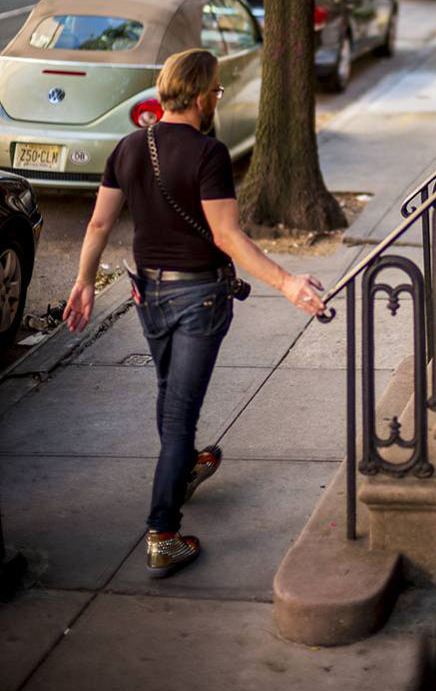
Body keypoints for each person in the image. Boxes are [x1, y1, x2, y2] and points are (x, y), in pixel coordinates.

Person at [64, 48, 325, 578]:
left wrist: (84, 283)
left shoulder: (129, 147)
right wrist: (287, 282)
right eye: (218, 92)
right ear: (204, 96)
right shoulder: (209, 154)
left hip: (148, 296)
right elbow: (227, 236)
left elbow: (97, 226)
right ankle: (163, 532)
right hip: (198, 298)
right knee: (180, 412)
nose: (216, 101)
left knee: (169, 392)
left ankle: (183, 467)